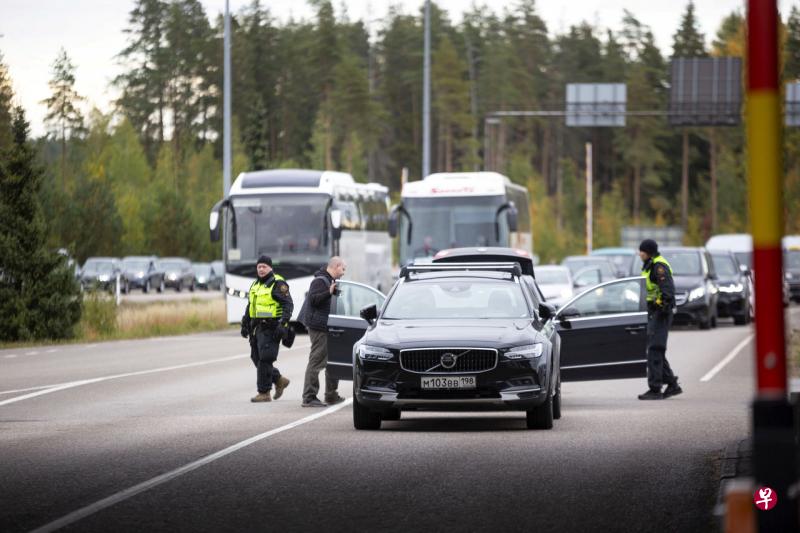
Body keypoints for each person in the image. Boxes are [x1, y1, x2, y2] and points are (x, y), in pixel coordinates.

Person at [240, 255, 293, 402]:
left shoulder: (277, 284)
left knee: (265, 359)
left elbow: (288, 305)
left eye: (264, 266)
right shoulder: (255, 285)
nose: (261, 269)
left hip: (272, 327)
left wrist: (283, 323)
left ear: (270, 268)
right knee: (256, 358)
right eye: (259, 267)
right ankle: (279, 379)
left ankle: (264, 392)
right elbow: (251, 305)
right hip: (257, 327)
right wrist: (245, 323)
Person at [298, 256, 347, 407]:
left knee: (332, 361)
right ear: (336, 266)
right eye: (343, 269)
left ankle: (331, 395)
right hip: (319, 328)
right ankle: (309, 396)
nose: (344, 272)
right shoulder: (319, 281)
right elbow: (313, 300)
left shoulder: (330, 281)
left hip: (329, 326)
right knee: (317, 360)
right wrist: (328, 292)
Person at [637, 239, 682, 400]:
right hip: (655, 312)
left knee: (655, 349)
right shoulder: (650, 264)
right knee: (656, 349)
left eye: (641, 251)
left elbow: (668, 292)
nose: (639, 253)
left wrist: (659, 308)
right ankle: (672, 384)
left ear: (647, 252)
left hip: (661, 313)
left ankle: (655, 389)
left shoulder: (658, 267)